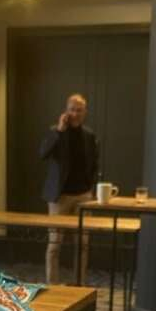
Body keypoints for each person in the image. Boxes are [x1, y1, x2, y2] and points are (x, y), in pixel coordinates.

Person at [40, 93, 99, 284]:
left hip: (83, 196)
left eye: (79, 110)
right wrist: (59, 131)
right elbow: (43, 153)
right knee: (54, 245)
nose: (75, 114)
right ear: (66, 111)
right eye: (72, 110)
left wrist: (91, 189)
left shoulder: (89, 135)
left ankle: (79, 284)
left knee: (82, 244)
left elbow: (94, 163)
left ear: (85, 112)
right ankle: (52, 285)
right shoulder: (56, 131)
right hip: (60, 196)